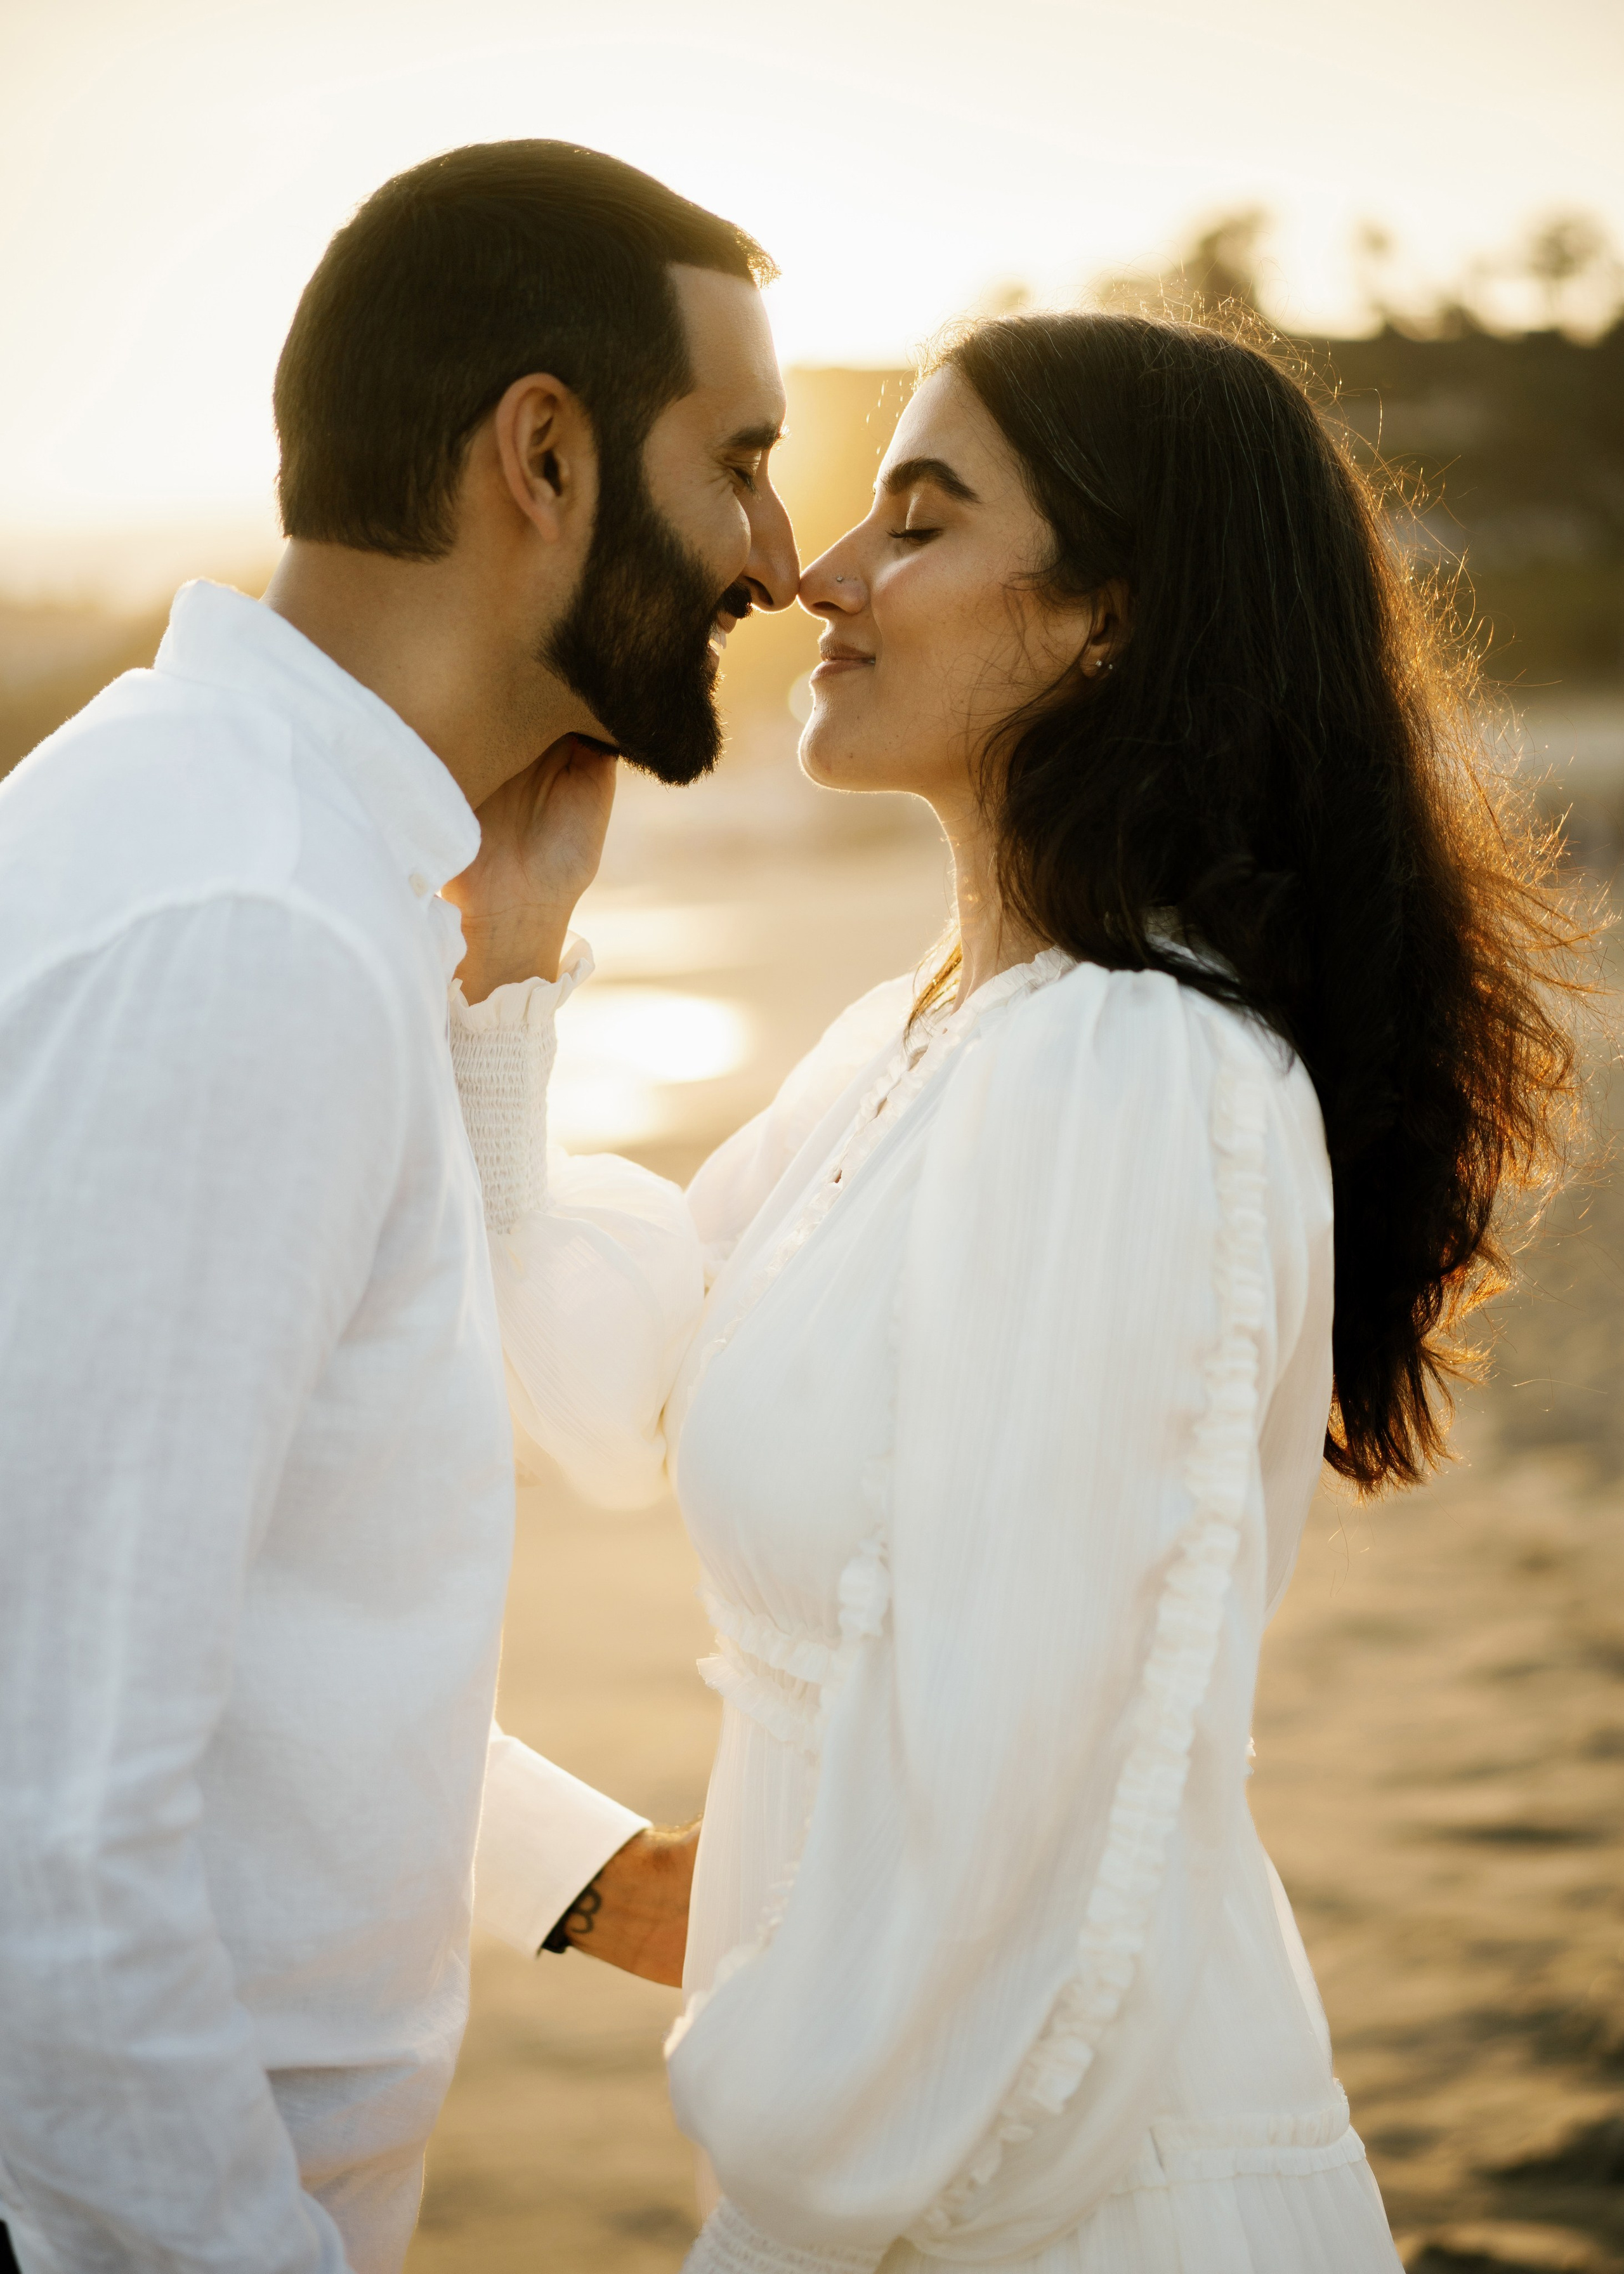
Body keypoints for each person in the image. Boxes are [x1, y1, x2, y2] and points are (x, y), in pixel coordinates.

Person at [443, 310, 1584, 2270]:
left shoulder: (1133, 1072)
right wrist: (512, 959)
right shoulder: (930, 1035)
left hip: (1045, 2200)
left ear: (1109, 620)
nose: (820, 574)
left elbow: (1038, 1818)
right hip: (878, 2159)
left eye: (920, 519)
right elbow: (595, 1387)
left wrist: (784, 2143)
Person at [0, 141, 796, 2274]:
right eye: (737, 462)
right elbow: (46, 1836)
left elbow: (216, 1603)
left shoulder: (222, 837)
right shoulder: (245, 934)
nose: (778, 552)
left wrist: (586, 1874)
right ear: (541, 453)